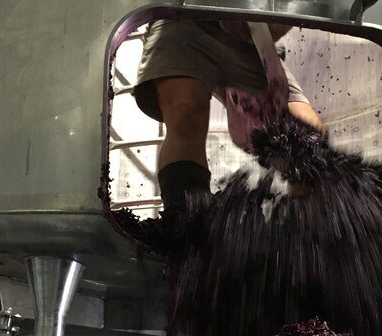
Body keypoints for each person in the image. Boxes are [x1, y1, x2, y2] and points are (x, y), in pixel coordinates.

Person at [133, 19, 323, 211]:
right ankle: (185, 226)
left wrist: (272, 21)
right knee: (186, 111)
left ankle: (303, 229)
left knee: (307, 137)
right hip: (183, 18)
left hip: (252, 34)